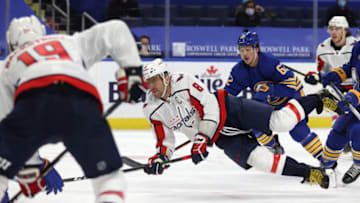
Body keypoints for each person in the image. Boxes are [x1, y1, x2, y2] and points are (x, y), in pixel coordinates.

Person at [0, 15, 145, 203]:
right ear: (42, 33)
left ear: (12, 43)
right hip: (80, 101)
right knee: (108, 178)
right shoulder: (68, 41)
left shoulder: (9, 64)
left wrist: (29, 166)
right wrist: (132, 70)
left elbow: (7, 119)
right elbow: (115, 29)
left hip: (32, 103)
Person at [140, 58, 334, 189]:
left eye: (154, 80)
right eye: (148, 82)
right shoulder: (152, 108)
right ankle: (310, 173)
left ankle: (318, 98)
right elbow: (165, 139)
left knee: (280, 122)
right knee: (260, 161)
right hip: (221, 137)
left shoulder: (184, 82)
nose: (151, 86)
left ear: (166, 77)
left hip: (228, 110)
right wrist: (161, 159)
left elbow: (211, 108)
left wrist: (201, 138)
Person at [224, 31, 324, 161]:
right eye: (241, 50)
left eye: (248, 49)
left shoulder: (269, 62)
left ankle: (324, 158)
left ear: (257, 49)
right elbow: (227, 94)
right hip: (270, 102)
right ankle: (274, 146)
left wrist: (270, 89)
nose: (244, 54)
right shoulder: (239, 71)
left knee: (298, 131)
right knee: (255, 124)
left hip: (292, 96)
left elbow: (291, 85)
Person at [305, 16, 356, 153]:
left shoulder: (355, 46)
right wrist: (314, 77)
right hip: (337, 87)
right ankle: (342, 133)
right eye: (331, 29)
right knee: (324, 98)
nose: (334, 32)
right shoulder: (322, 48)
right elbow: (322, 73)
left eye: (338, 29)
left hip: (356, 86)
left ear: (345, 30)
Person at [319, 40, 360, 185]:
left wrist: (354, 96)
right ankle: (326, 165)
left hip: (357, 99)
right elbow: (350, 68)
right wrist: (333, 75)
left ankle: (357, 164)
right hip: (357, 102)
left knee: (357, 131)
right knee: (338, 131)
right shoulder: (358, 47)